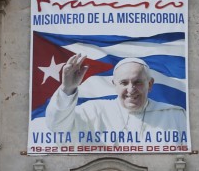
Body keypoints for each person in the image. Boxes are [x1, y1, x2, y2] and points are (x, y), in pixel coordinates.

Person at [45, 55, 187, 142]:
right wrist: (67, 88)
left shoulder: (173, 116)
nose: (131, 89)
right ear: (114, 85)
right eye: (124, 83)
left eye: (138, 82)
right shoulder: (94, 111)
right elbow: (57, 127)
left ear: (149, 84)